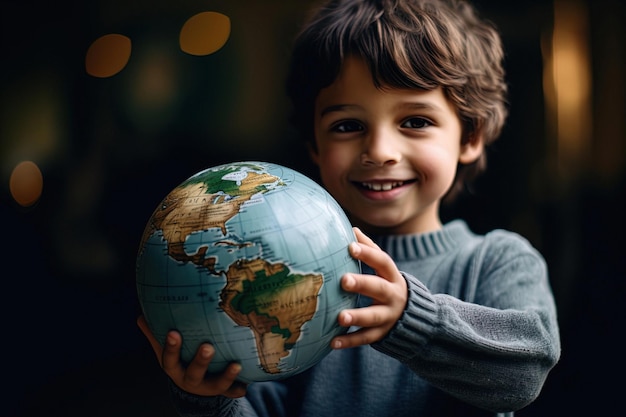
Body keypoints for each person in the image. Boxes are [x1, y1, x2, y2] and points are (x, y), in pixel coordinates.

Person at [137, 0, 561, 415]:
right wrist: (209, 399)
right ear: (315, 146)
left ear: (470, 137)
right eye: (347, 126)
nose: (379, 151)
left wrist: (412, 322)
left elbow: (524, 375)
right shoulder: (284, 270)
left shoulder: (499, 260)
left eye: (415, 121)